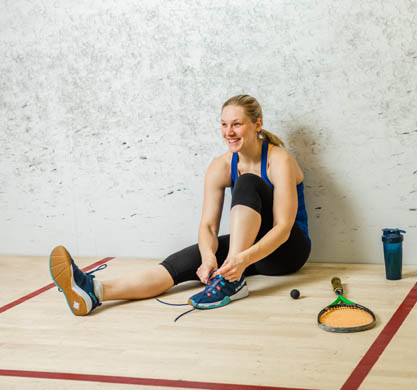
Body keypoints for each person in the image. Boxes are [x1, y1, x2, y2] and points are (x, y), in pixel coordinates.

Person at [49, 94, 311, 316]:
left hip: (287, 251)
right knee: (179, 263)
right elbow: (208, 225)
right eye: (223, 124)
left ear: (257, 125)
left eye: (237, 124)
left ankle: (234, 280)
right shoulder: (220, 166)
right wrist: (209, 256)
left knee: (247, 183)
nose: (228, 132)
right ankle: (94, 292)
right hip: (247, 249)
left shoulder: (279, 160)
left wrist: (239, 260)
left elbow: (284, 227)